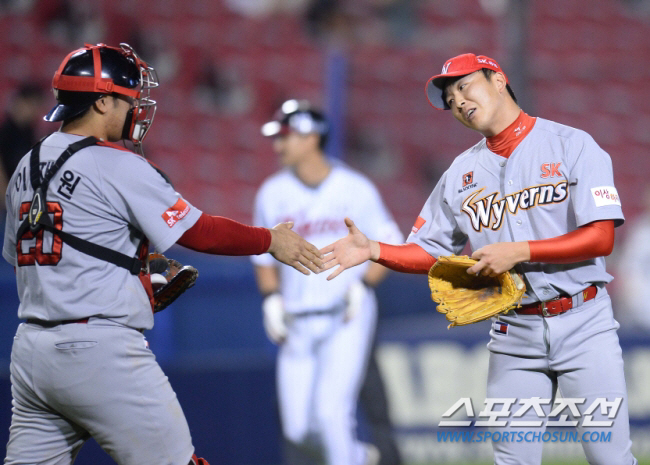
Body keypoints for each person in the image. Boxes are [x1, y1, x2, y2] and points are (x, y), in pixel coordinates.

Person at [2, 43, 323, 465]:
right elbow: (200, 231)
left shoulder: (27, 163)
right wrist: (269, 240)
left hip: (32, 353)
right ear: (101, 101)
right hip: (100, 348)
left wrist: (124, 268)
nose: (136, 106)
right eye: (127, 97)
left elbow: (19, 255)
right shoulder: (113, 162)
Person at [320, 53, 637, 465]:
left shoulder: (572, 144)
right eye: (449, 98)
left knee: (610, 458)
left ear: (499, 79)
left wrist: (519, 251)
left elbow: (600, 237)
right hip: (514, 333)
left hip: (584, 323)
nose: (457, 101)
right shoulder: (459, 173)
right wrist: (374, 251)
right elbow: (430, 251)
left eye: (463, 86)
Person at [252, 99, 403, 465]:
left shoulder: (354, 187)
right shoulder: (271, 192)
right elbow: (261, 256)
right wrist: (271, 299)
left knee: (331, 414)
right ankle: (354, 456)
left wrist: (364, 287)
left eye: (285, 136)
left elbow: (390, 244)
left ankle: (346, 455)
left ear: (310, 137)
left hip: (346, 313)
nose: (278, 145)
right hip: (298, 318)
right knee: (297, 428)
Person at [0, 83, 44, 210]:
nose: (35, 111)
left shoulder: (29, 131)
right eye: (33, 105)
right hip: (5, 199)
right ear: (21, 102)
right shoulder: (6, 130)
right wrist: (4, 196)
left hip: (19, 195)